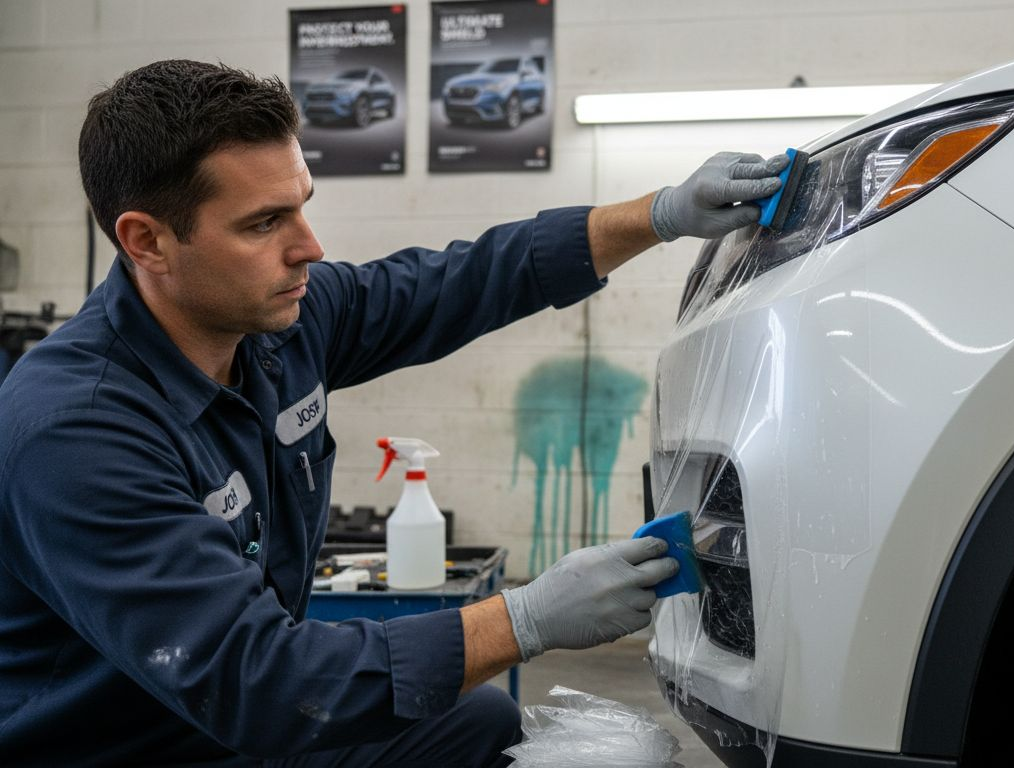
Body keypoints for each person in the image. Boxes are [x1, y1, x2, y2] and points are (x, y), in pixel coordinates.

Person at [0, 60, 786, 766]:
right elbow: (262, 685)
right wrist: (525, 619)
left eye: (300, 207)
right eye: (263, 223)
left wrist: (659, 215)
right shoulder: (76, 432)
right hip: (133, 745)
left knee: (475, 721)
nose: (308, 245)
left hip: (238, 725)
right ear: (147, 241)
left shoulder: (281, 326)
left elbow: (464, 280)